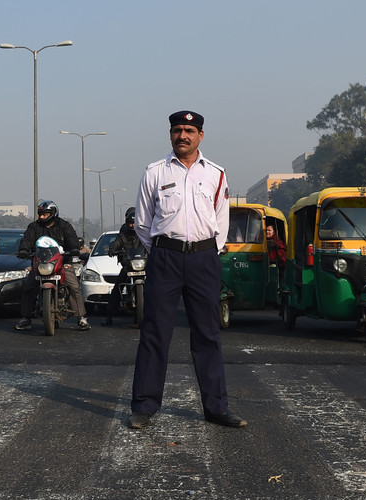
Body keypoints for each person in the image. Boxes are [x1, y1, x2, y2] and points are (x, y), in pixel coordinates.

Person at [127, 110, 245, 430]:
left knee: (208, 334)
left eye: (189, 130)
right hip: (165, 258)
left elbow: (221, 221)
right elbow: (142, 223)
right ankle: (144, 406)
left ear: (200, 136)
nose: (183, 135)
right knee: (155, 333)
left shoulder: (216, 174)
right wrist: (165, 251)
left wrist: (206, 253)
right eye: (177, 130)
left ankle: (216, 408)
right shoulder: (154, 172)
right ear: (170, 134)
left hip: (204, 260)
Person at [14, 200, 90, 331]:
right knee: (28, 287)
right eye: (41, 214)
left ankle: (81, 318)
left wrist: (74, 249)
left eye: (46, 214)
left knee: (73, 286)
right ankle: (26, 318)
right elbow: (27, 239)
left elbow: (71, 238)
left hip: (63, 262)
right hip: (41, 264)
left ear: (53, 213)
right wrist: (24, 250)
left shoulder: (64, 225)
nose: (42, 217)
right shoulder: (34, 227)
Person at [102, 207, 145, 327]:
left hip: (143, 265)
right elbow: (117, 242)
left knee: (158, 285)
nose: (133, 225)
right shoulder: (123, 234)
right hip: (128, 266)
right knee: (117, 289)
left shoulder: (144, 232)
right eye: (130, 223)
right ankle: (109, 317)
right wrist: (112, 249)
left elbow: (150, 242)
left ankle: (159, 317)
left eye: (135, 223)